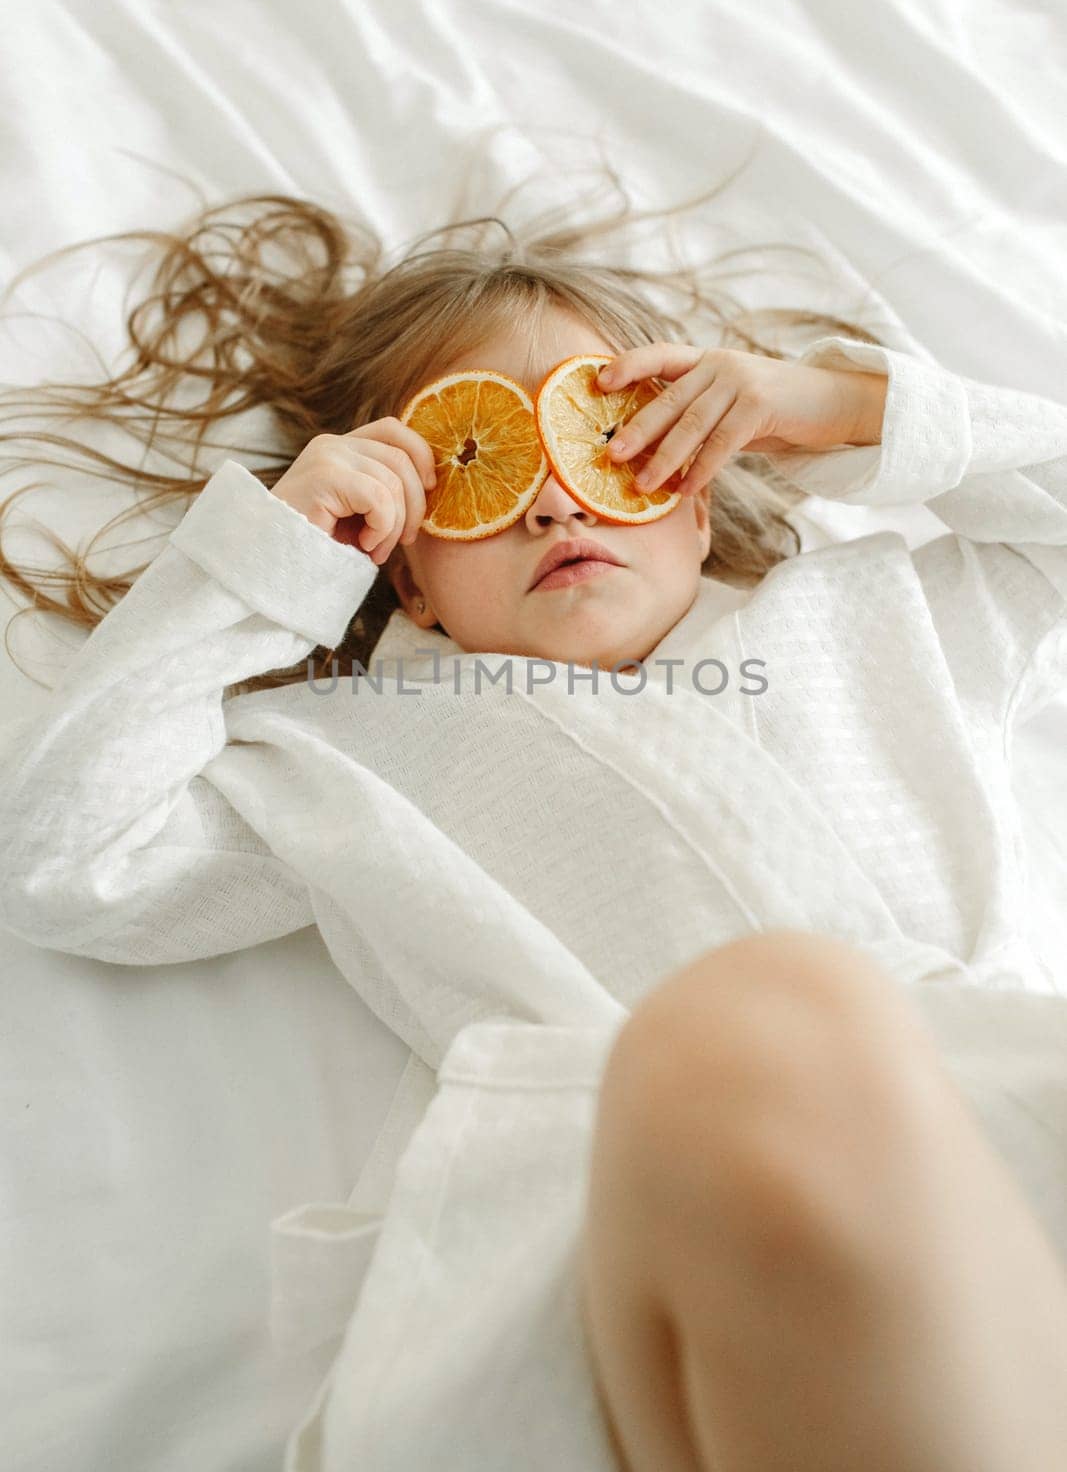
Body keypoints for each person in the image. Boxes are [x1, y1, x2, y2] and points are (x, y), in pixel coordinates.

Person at [1, 171, 1065, 1471]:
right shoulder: (350, 757)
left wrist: (842, 405)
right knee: (767, 1018)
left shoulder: (883, 614)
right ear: (406, 576)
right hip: (630, 1230)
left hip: (988, 1142)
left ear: (689, 489)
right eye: (474, 470)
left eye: (602, 441)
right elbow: (67, 855)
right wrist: (269, 564)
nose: (552, 500)